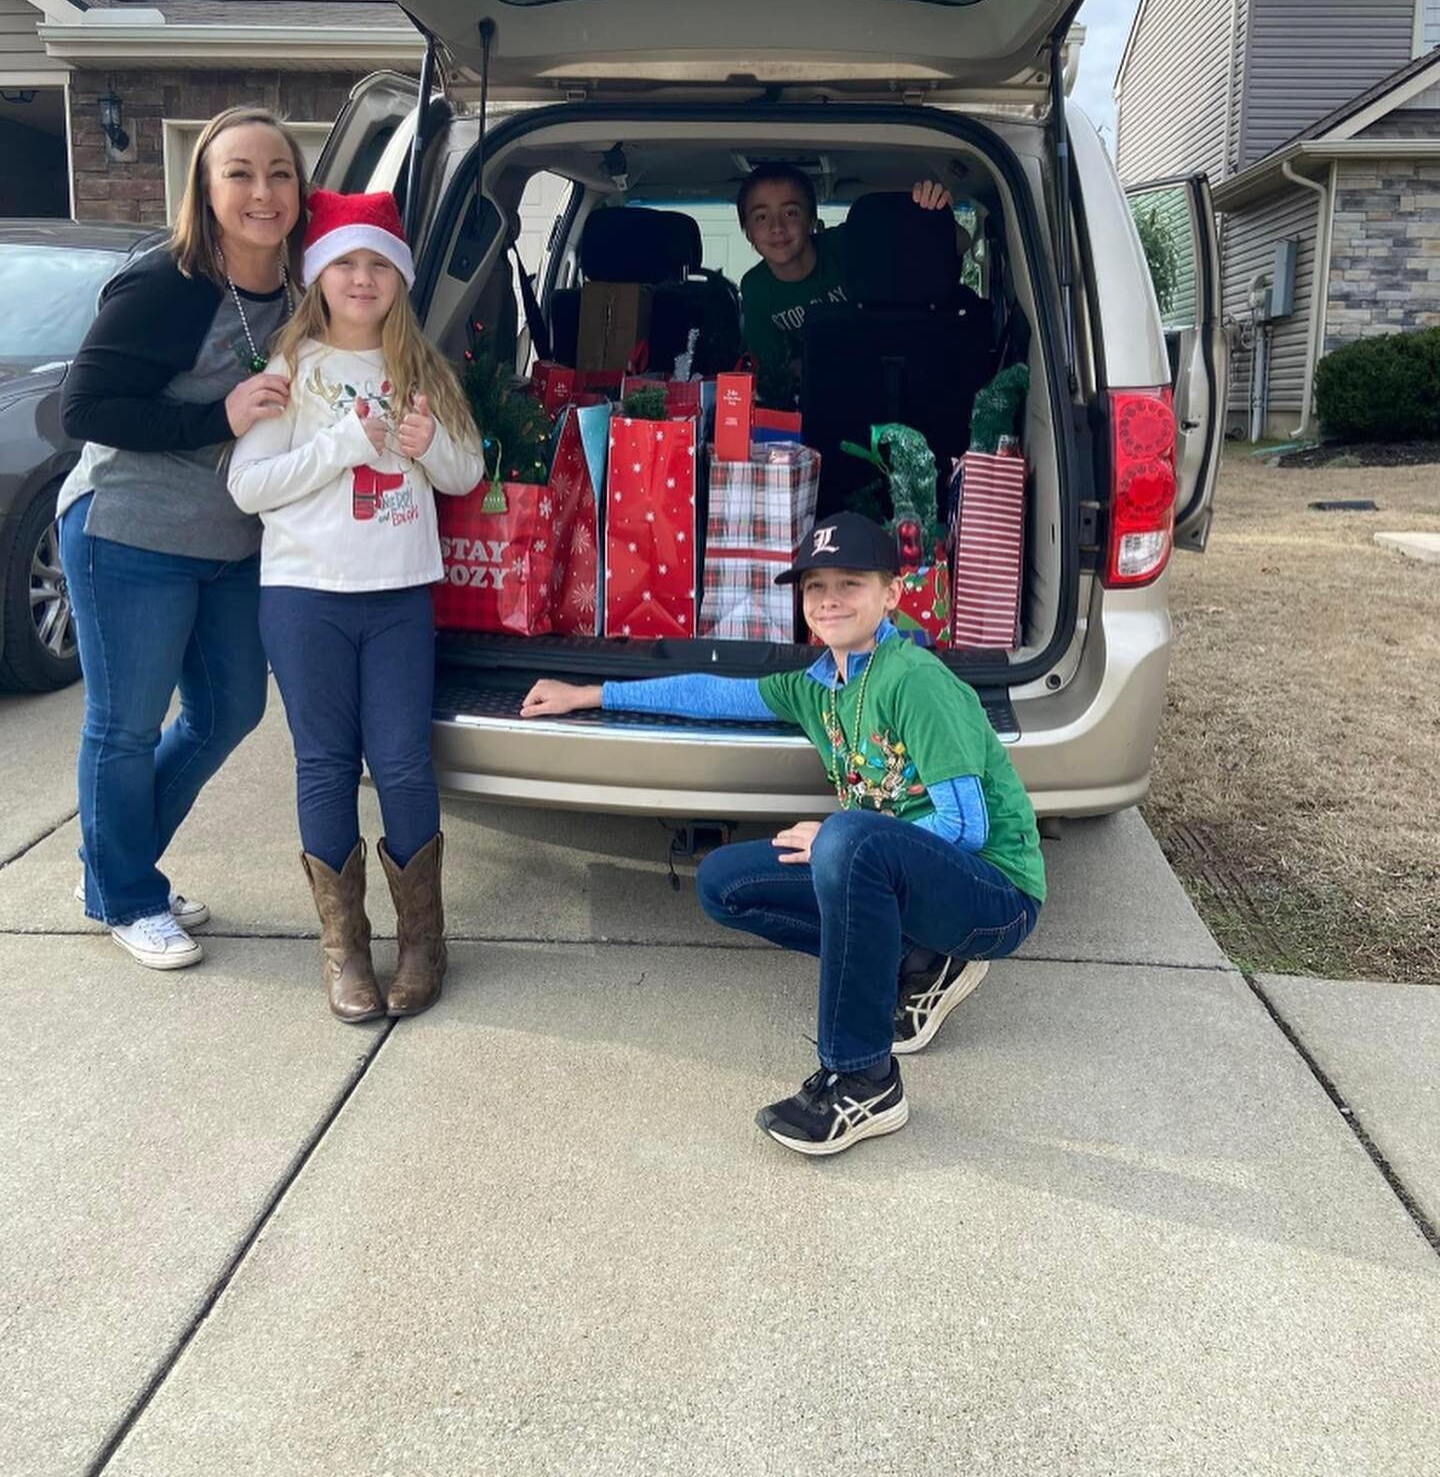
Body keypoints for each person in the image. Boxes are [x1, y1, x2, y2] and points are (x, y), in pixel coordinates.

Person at [521, 511, 1045, 1158]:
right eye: (815, 586)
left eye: (850, 584)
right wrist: (587, 693)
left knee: (850, 843)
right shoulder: (818, 686)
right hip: (899, 875)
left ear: (892, 594)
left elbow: (968, 825)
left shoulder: (915, 681)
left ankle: (864, 1079)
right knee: (725, 883)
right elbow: (713, 694)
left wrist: (842, 836)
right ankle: (920, 962)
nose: (829, 600)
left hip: (995, 896)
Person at [58, 106, 308, 970]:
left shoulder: (304, 291)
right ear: (204, 187)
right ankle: (126, 894)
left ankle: (111, 867)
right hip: (129, 531)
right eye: (239, 172)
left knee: (232, 710)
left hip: (231, 544)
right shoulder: (167, 283)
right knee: (124, 727)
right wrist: (217, 416)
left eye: (279, 171)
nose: (262, 191)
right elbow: (81, 410)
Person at [228, 190, 484, 1022]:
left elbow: (466, 475)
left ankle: (422, 943)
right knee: (325, 763)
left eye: (379, 263)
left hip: (399, 594)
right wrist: (340, 445)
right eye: (345, 262)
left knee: (405, 762)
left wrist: (428, 444)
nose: (363, 277)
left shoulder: (424, 369)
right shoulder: (290, 369)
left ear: (402, 279)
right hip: (306, 595)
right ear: (318, 277)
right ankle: (345, 951)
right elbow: (248, 485)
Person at [736, 163, 955, 371]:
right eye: (761, 217)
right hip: (814, 392)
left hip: (890, 368)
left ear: (812, 219)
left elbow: (955, 245)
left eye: (790, 213)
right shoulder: (756, 287)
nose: (777, 227)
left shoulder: (849, 241)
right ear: (747, 232)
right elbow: (771, 372)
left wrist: (934, 216)